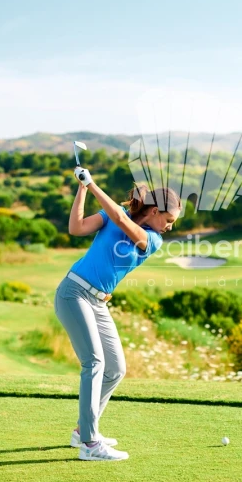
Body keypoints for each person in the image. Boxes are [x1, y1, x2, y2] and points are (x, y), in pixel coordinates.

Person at [55, 165, 181, 461]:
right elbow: (76, 229)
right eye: (169, 219)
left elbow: (121, 219)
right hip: (74, 292)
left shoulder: (152, 240)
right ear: (155, 211)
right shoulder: (109, 220)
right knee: (95, 363)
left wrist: (93, 183)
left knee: (116, 369)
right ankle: (89, 443)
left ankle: (83, 429)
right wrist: (83, 189)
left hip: (98, 302)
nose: (170, 226)